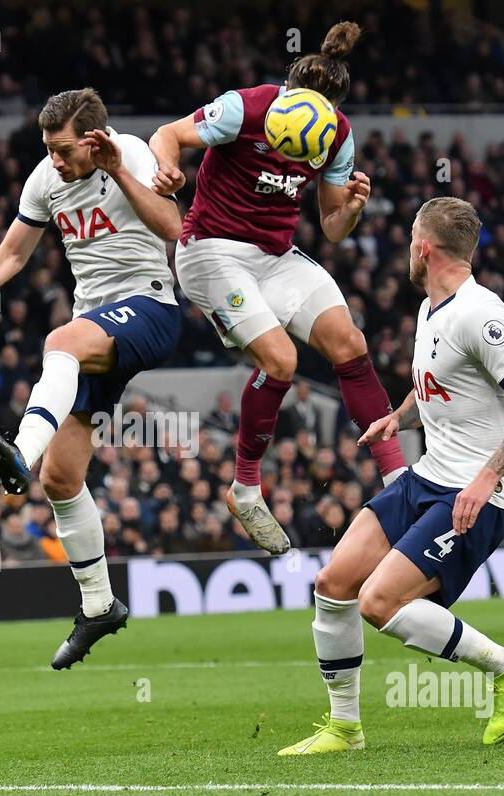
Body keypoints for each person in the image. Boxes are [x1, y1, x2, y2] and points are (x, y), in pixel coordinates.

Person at [0, 88, 182, 669]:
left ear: (95, 139)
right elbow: (9, 257)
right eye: (48, 149)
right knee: (63, 477)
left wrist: (118, 170)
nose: (56, 160)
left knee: (57, 342)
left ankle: (18, 452)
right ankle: (99, 605)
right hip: (97, 328)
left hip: (149, 308)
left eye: (65, 150)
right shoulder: (44, 181)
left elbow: (172, 227)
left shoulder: (132, 153)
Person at [279, 198, 504, 755]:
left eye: (411, 240)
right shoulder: (433, 308)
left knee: (378, 603)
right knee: (333, 585)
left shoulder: (480, 312)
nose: (408, 250)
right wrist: (400, 417)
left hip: (477, 491)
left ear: (424, 248)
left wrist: (485, 480)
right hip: (427, 475)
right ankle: (345, 728)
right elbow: (443, 380)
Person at [149, 20, 406, 555]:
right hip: (212, 250)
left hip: (275, 255)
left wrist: (352, 210)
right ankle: (245, 486)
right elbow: (168, 134)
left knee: (351, 345)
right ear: (288, 91)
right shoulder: (249, 106)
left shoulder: (337, 132)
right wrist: (169, 170)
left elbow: (332, 227)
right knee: (282, 362)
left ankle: (397, 479)